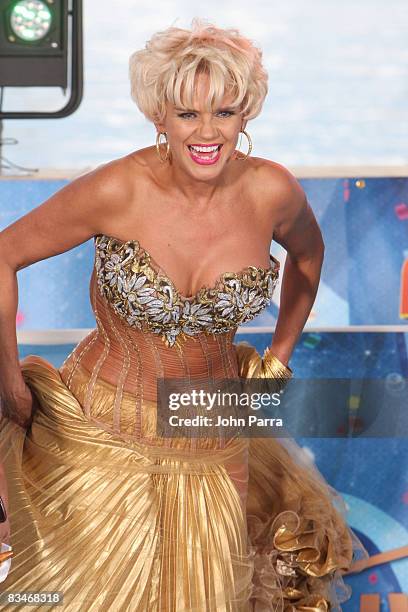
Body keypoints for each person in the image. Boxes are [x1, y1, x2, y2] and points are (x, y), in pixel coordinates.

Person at [0, 18, 368, 611]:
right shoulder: (117, 189)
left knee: (216, 597)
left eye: (223, 112)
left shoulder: (272, 191)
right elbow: (4, 254)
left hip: (214, 424)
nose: (207, 132)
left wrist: (278, 358)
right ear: (159, 117)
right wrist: (8, 379)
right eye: (188, 113)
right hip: (102, 430)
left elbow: (309, 255)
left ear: (245, 115)